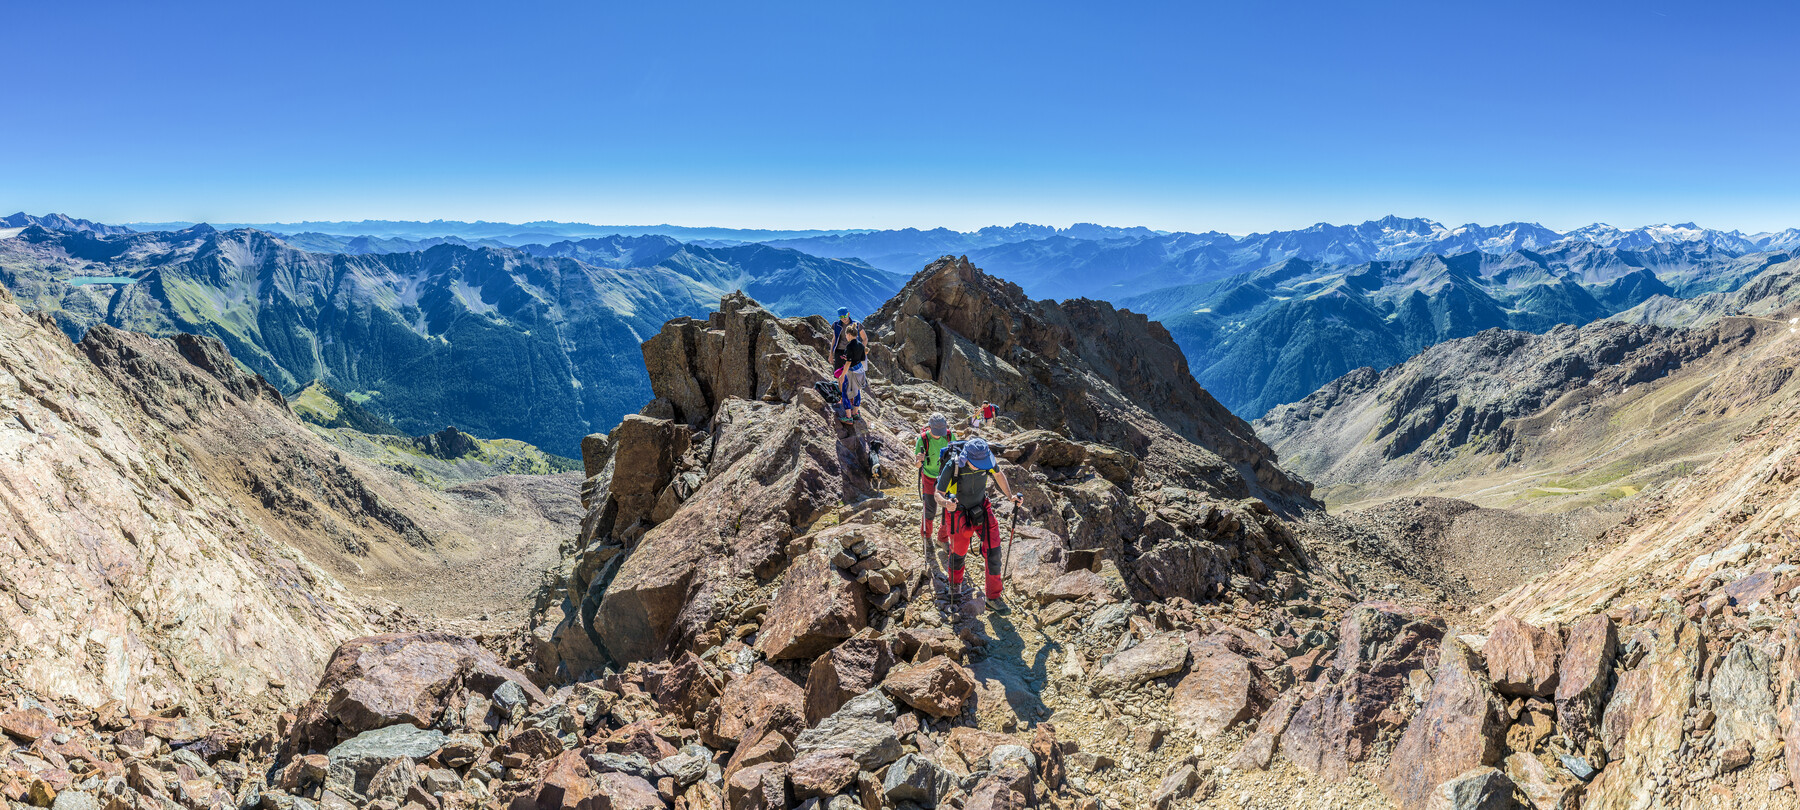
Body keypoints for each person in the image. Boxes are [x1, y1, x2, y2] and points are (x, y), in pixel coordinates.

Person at [934, 437, 1024, 612]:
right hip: (958, 511)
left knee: (994, 549)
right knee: (959, 551)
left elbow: (998, 474)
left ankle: (993, 596)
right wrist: (946, 504)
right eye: (977, 463)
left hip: (982, 507)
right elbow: (937, 492)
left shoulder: (986, 460)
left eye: (983, 463)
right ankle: (954, 585)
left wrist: (1010, 496)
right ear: (967, 457)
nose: (982, 466)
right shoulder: (953, 465)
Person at [914, 414, 956, 543]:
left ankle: (942, 538)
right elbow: (917, 464)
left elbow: (955, 453)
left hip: (946, 476)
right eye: (936, 431)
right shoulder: (923, 439)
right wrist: (919, 460)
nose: (939, 435)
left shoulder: (949, 435)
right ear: (929, 427)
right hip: (929, 477)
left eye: (941, 432)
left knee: (948, 507)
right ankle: (926, 535)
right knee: (930, 508)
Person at [834, 323, 869, 423]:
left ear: (849, 334)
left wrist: (842, 375)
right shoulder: (861, 345)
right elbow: (862, 358)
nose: (846, 336)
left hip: (851, 372)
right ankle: (855, 413)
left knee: (845, 392)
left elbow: (848, 362)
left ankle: (848, 417)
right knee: (857, 391)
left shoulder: (849, 346)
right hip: (860, 371)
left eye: (846, 335)